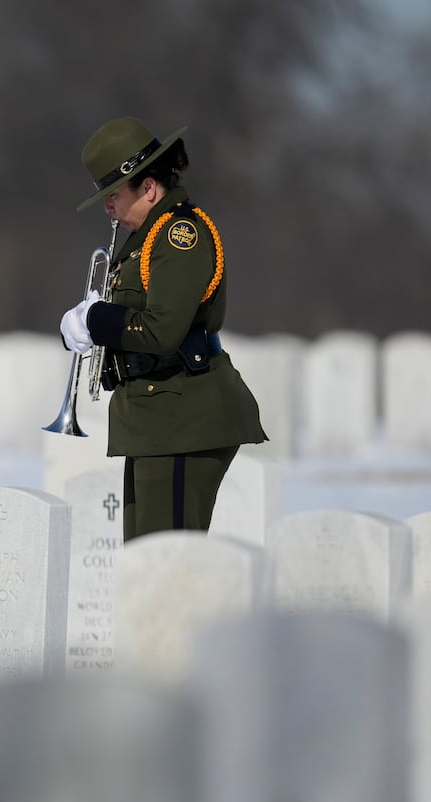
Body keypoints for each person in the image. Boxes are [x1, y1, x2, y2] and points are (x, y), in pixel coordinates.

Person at [59, 117, 266, 542]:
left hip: (183, 418)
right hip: (155, 419)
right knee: (144, 566)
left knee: (167, 571)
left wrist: (97, 320)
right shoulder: (144, 239)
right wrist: (85, 324)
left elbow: (161, 332)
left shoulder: (178, 234)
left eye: (114, 194)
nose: (108, 207)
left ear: (149, 188)